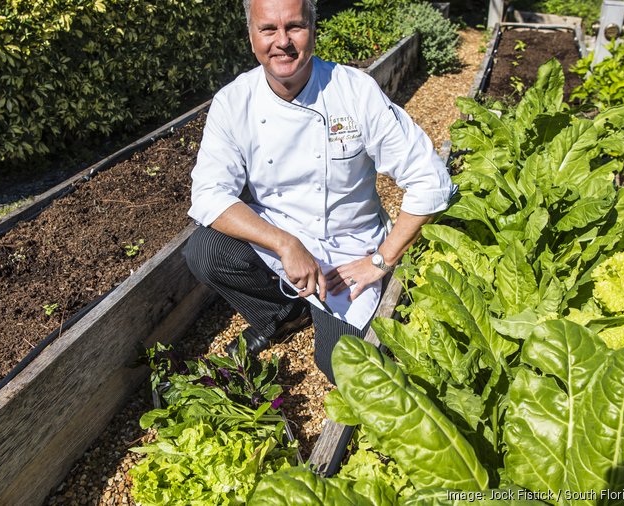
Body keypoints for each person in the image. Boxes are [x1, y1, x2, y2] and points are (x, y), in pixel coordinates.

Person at [182, 0, 457, 384]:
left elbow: (431, 180)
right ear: (251, 36)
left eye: (294, 27)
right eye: (268, 29)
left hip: (348, 249)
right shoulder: (234, 102)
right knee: (204, 250)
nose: (282, 42)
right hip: (280, 235)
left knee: (343, 367)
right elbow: (209, 194)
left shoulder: (353, 91)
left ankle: (322, 311)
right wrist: (284, 243)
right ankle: (284, 314)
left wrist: (381, 260)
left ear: (313, 29)